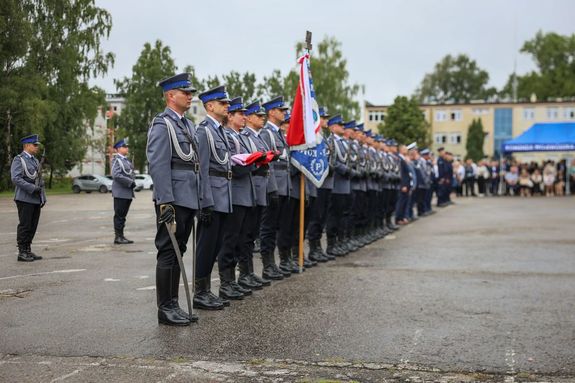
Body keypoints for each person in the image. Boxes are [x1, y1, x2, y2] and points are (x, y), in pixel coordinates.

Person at [146, 72, 200, 326]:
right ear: (171, 95)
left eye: (190, 93)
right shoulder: (162, 124)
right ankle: (164, 308)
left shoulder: (187, 125)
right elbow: (158, 165)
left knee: (180, 251)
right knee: (168, 252)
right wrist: (164, 202)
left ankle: (174, 304)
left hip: (188, 198)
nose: (190, 97)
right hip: (173, 199)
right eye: (185, 93)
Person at [195, 85, 233, 310]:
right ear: (210, 106)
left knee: (216, 245)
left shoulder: (219, 130)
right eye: (223, 103)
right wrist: (205, 201)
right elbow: (202, 169)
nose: (227, 106)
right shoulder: (204, 131)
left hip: (223, 196)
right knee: (206, 247)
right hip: (212, 198)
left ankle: (207, 291)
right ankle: (200, 293)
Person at [217, 96, 255, 301]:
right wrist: (250, 163)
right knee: (229, 239)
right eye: (241, 114)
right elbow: (232, 164)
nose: (244, 117)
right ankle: (226, 282)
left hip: (244, 193)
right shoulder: (228, 136)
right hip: (234, 193)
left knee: (242, 237)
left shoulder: (239, 136)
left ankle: (237, 279)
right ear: (230, 117)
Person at [259, 96, 292, 279]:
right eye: (281, 110)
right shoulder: (266, 134)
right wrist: (272, 188)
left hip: (284, 186)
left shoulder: (279, 133)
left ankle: (279, 262)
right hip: (274, 187)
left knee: (281, 225)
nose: (285, 113)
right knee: (268, 227)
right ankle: (268, 264)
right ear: (271, 112)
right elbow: (268, 163)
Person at [11, 134, 46, 262]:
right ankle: (22, 252)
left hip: (36, 198)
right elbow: (16, 178)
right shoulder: (19, 159)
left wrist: (43, 197)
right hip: (24, 198)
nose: (37, 147)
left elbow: (40, 181)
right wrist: (32, 188)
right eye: (34, 145)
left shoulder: (35, 161)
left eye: (37, 145)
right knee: (25, 225)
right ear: (26, 145)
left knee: (33, 225)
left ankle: (28, 249)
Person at [111, 138, 136, 244]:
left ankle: (121, 236)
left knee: (123, 217)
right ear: (118, 149)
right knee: (119, 216)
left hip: (127, 193)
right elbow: (116, 175)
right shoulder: (116, 160)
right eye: (125, 147)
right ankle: (118, 237)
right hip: (120, 193)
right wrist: (129, 182)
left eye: (127, 146)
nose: (127, 148)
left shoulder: (125, 160)